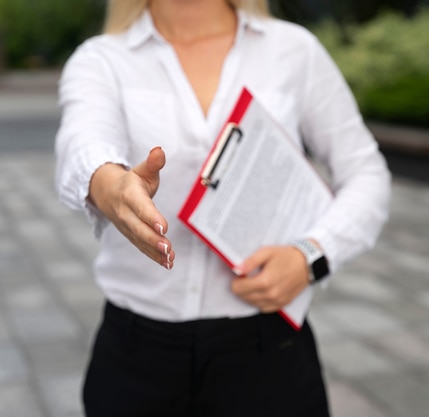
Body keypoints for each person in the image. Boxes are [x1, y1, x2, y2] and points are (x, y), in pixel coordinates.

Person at [55, 0, 391, 416]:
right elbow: (83, 144)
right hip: (137, 355)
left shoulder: (294, 50)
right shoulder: (102, 59)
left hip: (268, 350)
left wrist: (311, 256)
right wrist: (111, 185)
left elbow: (366, 171)